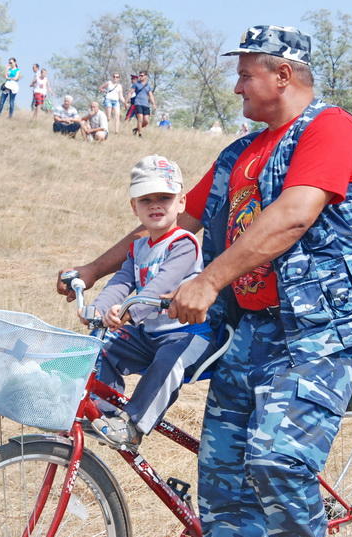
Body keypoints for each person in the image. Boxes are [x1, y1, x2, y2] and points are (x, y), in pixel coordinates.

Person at [57, 24, 352, 537]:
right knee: (224, 486)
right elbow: (176, 221)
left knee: (278, 463)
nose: (236, 87)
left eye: (244, 75)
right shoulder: (240, 153)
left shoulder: (331, 128)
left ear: (283, 75)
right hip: (250, 327)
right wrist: (93, 270)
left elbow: (295, 214)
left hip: (320, 330)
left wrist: (208, 281)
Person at [83, 155, 219, 448]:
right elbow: (122, 280)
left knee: (169, 362)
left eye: (164, 198)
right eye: (146, 200)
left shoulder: (183, 243)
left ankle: (133, 425)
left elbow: (164, 283)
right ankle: (101, 413)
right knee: (103, 345)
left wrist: (131, 311)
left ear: (181, 203)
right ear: (134, 207)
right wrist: (98, 308)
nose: (155, 205)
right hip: (148, 333)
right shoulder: (139, 246)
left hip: (186, 334)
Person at [130, 71, 155, 137]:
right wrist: (126, 101)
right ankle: (140, 134)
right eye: (139, 75)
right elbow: (130, 92)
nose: (140, 77)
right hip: (138, 103)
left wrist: (154, 104)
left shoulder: (148, 86)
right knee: (140, 119)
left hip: (146, 105)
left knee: (146, 121)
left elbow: (151, 95)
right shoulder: (136, 84)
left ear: (146, 76)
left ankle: (136, 129)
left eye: (142, 75)